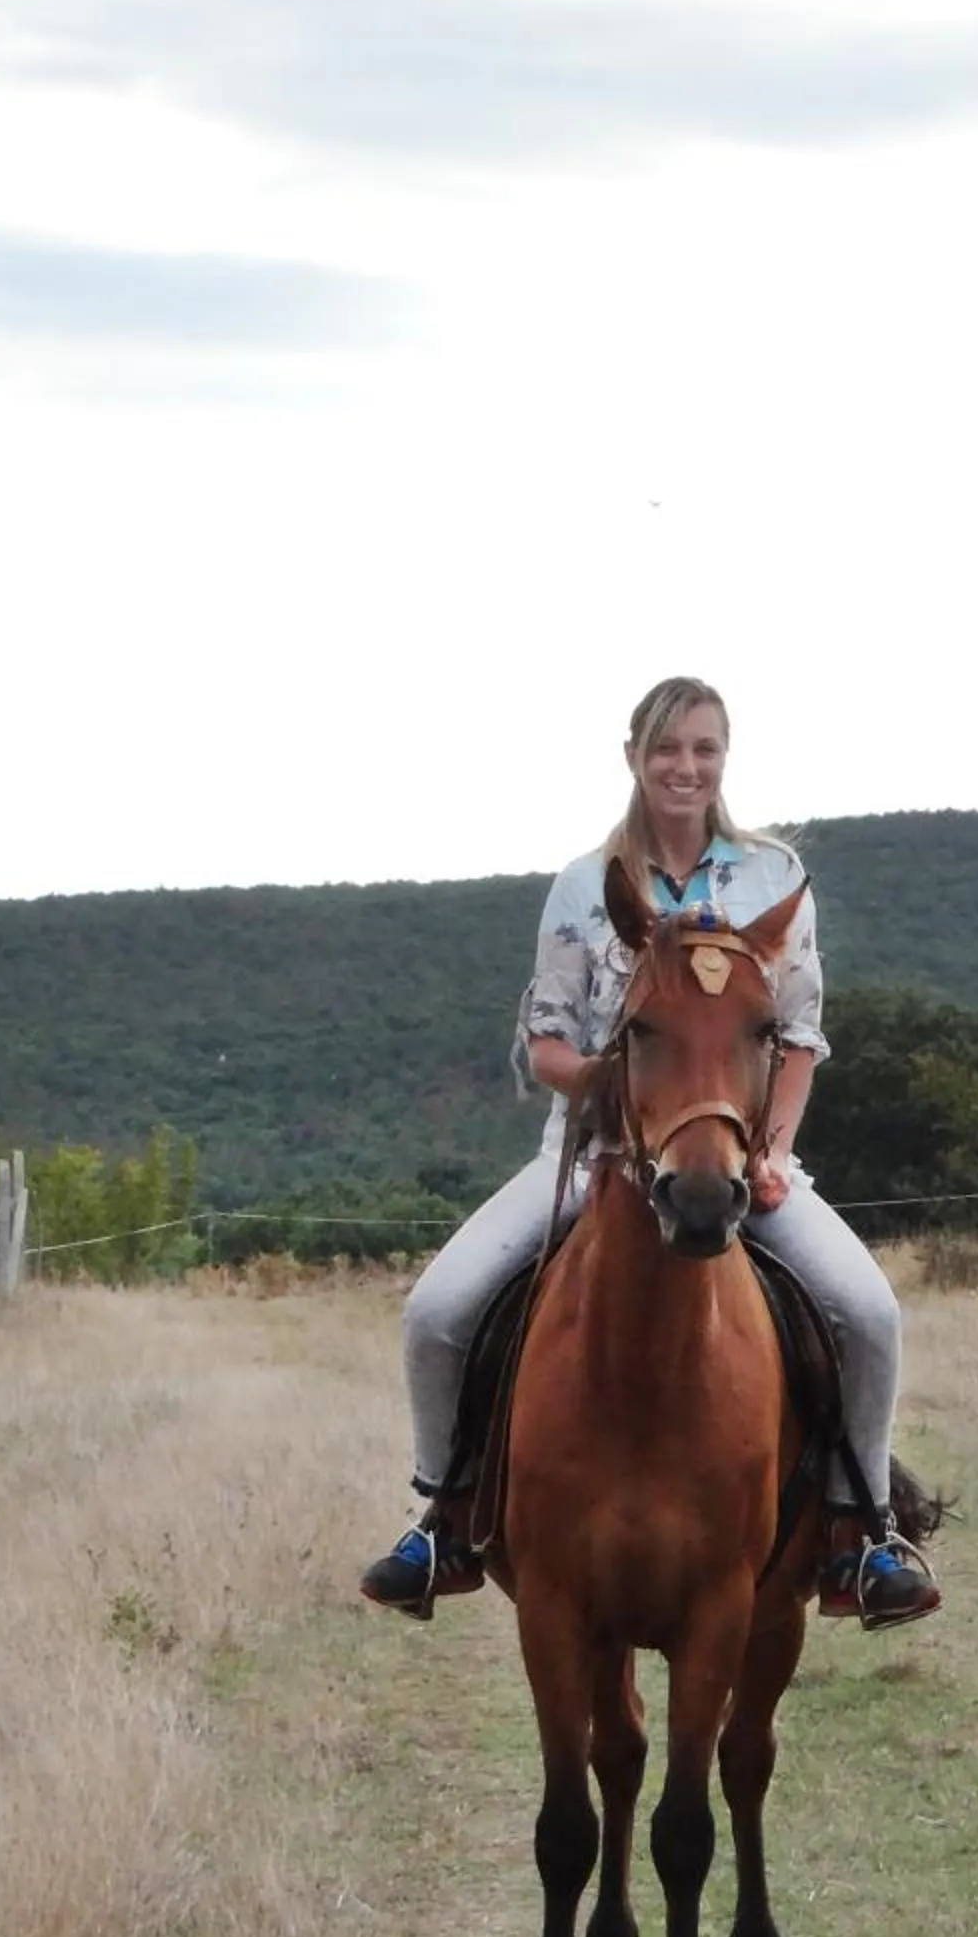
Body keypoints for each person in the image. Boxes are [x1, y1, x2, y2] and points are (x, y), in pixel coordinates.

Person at [359, 676, 942, 1630]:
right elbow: (547, 1042)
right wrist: (622, 1096)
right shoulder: (583, 887)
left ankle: (865, 1531)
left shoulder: (774, 879)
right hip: (593, 1156)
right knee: (436, 1311)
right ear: (633, 756)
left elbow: (798, 1036)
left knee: (869, 1314)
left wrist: (774, 1154)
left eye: (705, 749)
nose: (687, 767)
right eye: (668, 749)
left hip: (742, 1154)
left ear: (724, 759)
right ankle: (445, 1516)